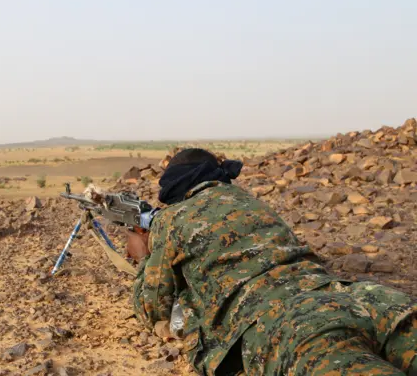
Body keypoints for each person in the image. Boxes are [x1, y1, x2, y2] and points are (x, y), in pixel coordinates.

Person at [125, 148, 416, 376]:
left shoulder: (172, 220)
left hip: (287, 320)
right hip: (358, 295)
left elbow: (154, 304)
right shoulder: (249, 201)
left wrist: (142, 256)